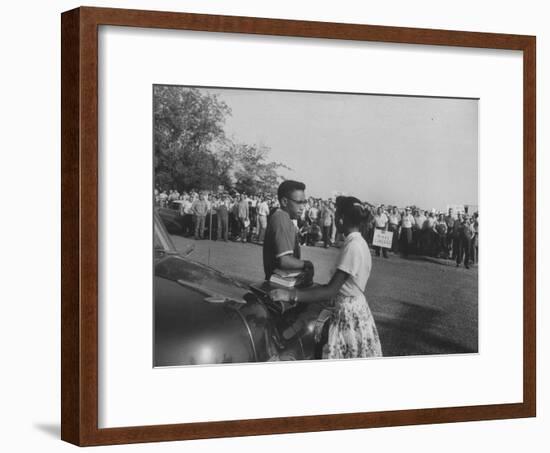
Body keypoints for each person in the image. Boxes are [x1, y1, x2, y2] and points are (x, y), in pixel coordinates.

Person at [269, 196, 382, 359]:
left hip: (348, 313)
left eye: (336, 215)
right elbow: (339, 286)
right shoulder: (357, 242)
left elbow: (331, 290)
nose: (334, 219)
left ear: (341, 219)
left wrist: (291, 295)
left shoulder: (353, 246)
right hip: (350, 306)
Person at [262, 180, 314, 281]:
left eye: (304, 202)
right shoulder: (281, 218)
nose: (302, 207)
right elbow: (284, 261)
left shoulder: (282, 217)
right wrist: (307, 264)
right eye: (299, 202)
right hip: (279, 284)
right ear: (285, 201)